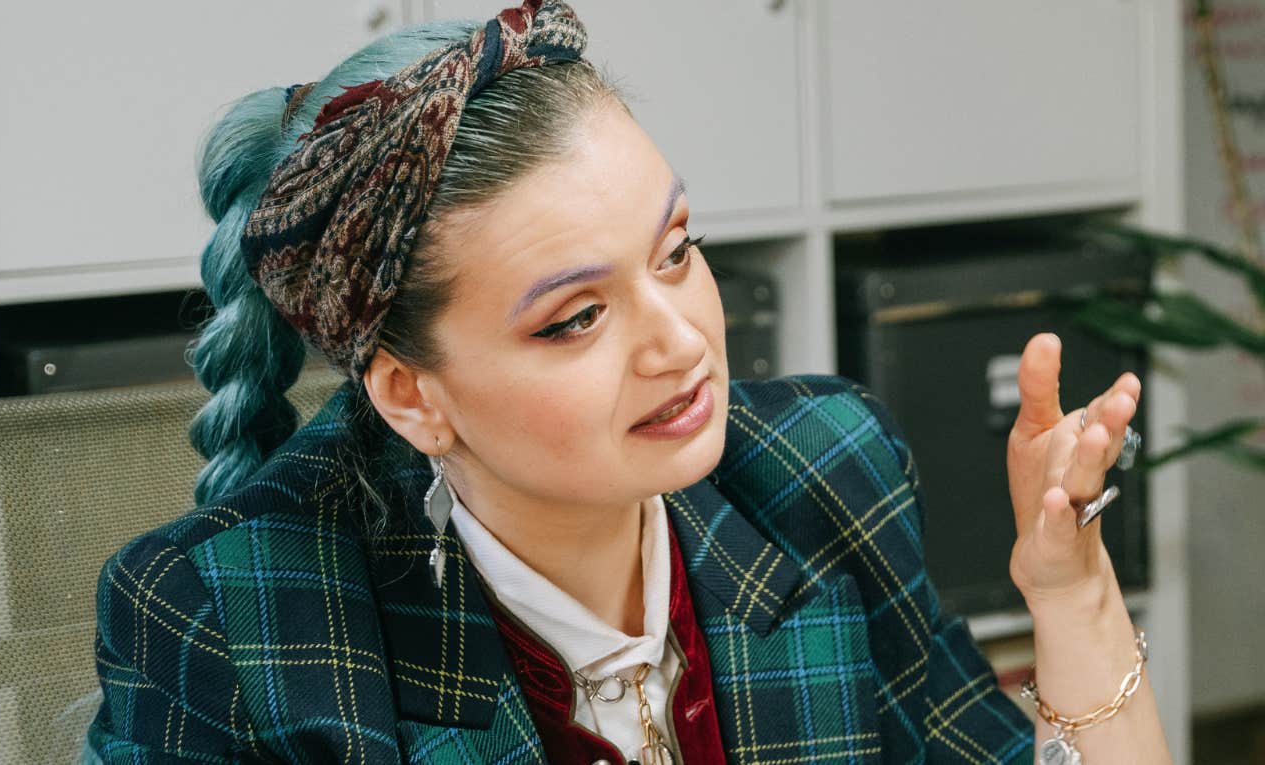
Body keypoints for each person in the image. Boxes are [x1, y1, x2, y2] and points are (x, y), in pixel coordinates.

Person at [83, 2, 1174, 762]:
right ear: (413, 395)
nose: (680, 342)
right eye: (576, 318)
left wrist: (1069, 591)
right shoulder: (232, 620)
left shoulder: (824, 471)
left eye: (676, 251)